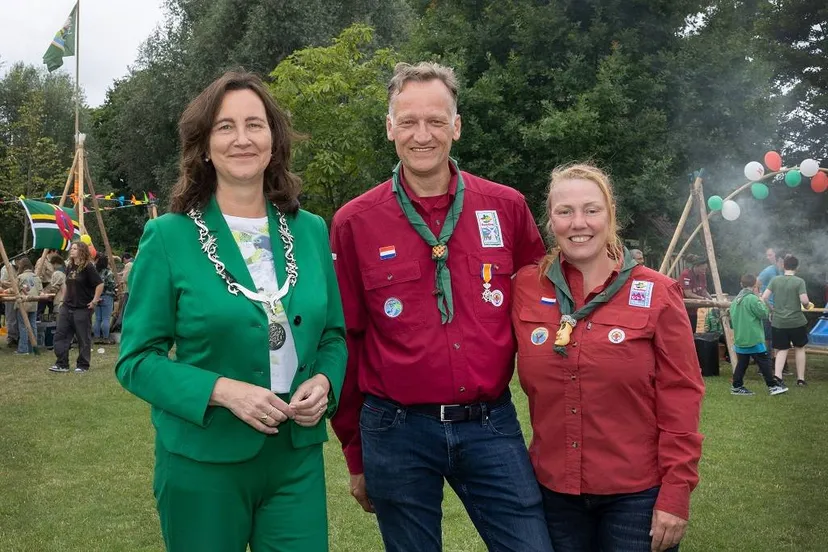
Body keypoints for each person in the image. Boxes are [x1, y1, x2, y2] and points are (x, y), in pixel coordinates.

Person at [115, 71, 346, 552]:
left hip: (296, 458)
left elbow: (333, 337)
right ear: (203, 146)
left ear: (273, 140)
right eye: (225, 127)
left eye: (254, 125)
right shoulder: (168, 237)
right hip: (204, 460)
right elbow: (136, 360)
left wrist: (325, 381)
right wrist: (222, 391)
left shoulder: (311, 230)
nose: (242, 139)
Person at [330, 61, 553, 552]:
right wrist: (355, 453)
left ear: (456, 126)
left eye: (435, 121)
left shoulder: (506, 207)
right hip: (395, 430)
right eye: (408, 121)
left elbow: (542, 307)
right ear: (390, 127)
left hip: (489, 422)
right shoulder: (354, 222)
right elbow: (345, 340)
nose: (422, 135)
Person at [511, 164, 704, 552]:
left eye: (591, 210)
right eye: (565, 211)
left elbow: (681, 396)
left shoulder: (657, 292)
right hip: (553, 494)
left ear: (610, 215)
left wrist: (676, 491)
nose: (578, 223)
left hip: (636, 497)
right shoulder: (526, 287)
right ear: (550, 220)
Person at [729, 274, 788, 396]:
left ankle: (737, 386)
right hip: (753, 337)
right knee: (764, 361)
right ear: (755, 284)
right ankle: (772, 386)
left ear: (741, 284)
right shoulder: (752, 299)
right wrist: (761, 301)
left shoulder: (736, 300)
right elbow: (763, 314)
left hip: (740, 336)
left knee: (742, 362)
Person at [48, 241, 103, 373]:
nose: (71, 250)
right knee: (61, 335)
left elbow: (99, 284)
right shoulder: (70, 266)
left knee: (83, 337)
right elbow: (67, 284)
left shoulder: (88, 267)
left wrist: (94, 301)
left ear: (81, 251)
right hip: (67, 306)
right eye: (71, 248)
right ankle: (62, 364)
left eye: (74, 248)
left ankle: (83, 365)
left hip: (82, 307)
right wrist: (63, 299)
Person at [762, 255, 814, 386]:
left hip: (779, 321)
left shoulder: (775, 280)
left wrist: (772, 309)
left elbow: (764, 297)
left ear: (783, 266)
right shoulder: (799, 281)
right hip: (796, 322)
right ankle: (800, 379)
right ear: (797, 267)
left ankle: (778, 377)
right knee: (799, 348)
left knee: (781, 349)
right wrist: (807, 305)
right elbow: (804, 300)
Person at [14, 258, 43, 355]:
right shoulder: (36, 277)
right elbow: (40, 291)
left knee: (23, 326)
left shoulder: (20, 277)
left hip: (23, 304)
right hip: (34, 304)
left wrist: (6, 290)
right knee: (33, 325)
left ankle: (23, 349)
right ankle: (33, 348)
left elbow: (15, 289)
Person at [679, 256, 712, 333]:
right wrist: (703, 299)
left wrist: (711, 299)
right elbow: (688, 294)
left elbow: (703, 290)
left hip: (694, 309)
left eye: (705, 269)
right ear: (696, 266)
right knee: (685, 331)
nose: (704, 271)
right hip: (684, 310)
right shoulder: (686, 275)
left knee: (693, 330)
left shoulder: (702, 275)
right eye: (702, 269)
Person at [92, 256, 116, 344]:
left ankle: (96, 337)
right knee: (106, 318)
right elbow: (111, 285)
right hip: (107, 296)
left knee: (98, 319)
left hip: (97, 296)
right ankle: (106, 338)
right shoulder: (109, 272)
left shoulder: (94, 272)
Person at [1, 259, 19, 348]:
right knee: (11, 318)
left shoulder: (21, 268)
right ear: (17, 261)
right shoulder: (6, 268)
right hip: (9, 296)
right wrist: (15, 285)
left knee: (19, 318)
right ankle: (11, 338)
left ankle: (17, 337)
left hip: (19, 296)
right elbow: (2, 282)